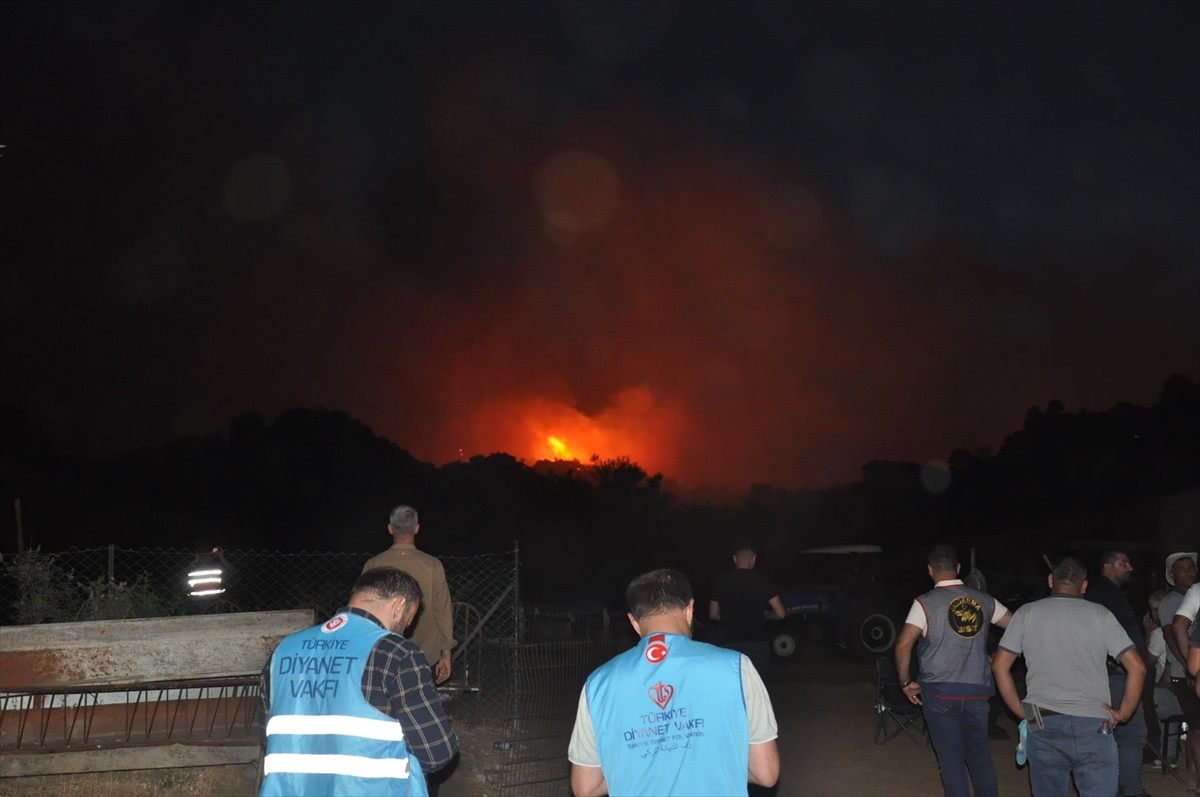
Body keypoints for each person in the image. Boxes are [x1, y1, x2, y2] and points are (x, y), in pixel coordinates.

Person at [568, 568, 780, 797]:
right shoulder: (738, 668)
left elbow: (585, 788)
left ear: (634, 622)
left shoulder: (598, 684)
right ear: (689, 610)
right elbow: (765, 773)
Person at [259, 567, 458, 797]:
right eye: (408, 620)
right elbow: (435, 754)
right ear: (399, 606)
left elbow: (269, 737)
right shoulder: (397, 653)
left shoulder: (283, 650)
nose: (405, 629)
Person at [992, 557, 1145, 797]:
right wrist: (1123, 713)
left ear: (1051, 580)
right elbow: (1138, 667)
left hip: (1040, 719)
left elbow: (1000, 666)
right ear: (1084, 586)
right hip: (1094, 722)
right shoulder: (1101, 615)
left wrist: (1022, 712)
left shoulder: (1026, 613)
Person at [894, 544, 1011, 797]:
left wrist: (905, 683)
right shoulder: (984, 600)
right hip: (978, 692)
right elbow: (1016, 627)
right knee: (980, 758)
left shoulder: (924, 603)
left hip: (940, 693)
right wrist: (997, 657)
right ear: (959, 568)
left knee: (951, 760)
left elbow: (903, 643)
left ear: (930, 570)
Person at [1081, 549, 1150, 797]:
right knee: (1131, 734)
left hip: (1120, 674)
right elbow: (1089, 632)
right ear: (1108, 566)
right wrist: (1115, 663)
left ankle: (1119, 786)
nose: (1130, 567)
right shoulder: (1100, 593)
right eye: (1124, 563)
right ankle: (1129, 789)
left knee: (1115, 733)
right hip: (1116, 677)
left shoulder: (1110, 593)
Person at [363, 505, 456, 685]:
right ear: (416, 528)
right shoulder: (432, 565)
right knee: (417, 710)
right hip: (424, 657)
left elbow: (362, 613)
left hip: (382, 655)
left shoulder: (373, 565)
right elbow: (443, 611)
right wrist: (446, 653)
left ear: (390, 528)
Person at [708, 542, 786, 674]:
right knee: (756, 686)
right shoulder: (763, 581)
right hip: (757, 642)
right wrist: (765, 614)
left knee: (733, 684)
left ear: (734, 559)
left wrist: (730, 615)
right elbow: (780, 613)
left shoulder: (721, 582)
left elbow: (713, 614)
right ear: (754, 559)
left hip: (729, 642)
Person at [1159, 552, 1199, 789]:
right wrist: (1189, 669)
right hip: (1184, 672)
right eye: (1182, 568)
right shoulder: (1170, 602)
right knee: (1197, 727)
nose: (1188, 571)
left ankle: (1193, 779)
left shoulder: (1193, 596)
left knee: (1196, 727)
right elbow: (1171, 634)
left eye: (1191, 567)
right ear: (1172, 576)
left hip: (1189, 670)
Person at [1145, 591, 1183, 762]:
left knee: (1144, 695)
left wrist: (1148, 634)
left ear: (1154, 611)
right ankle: (1168, 754)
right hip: (1185, 694)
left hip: (1174, 694)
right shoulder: (1186, 629)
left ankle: (1162, 755)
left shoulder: (1159, 634)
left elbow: (1146, 665)